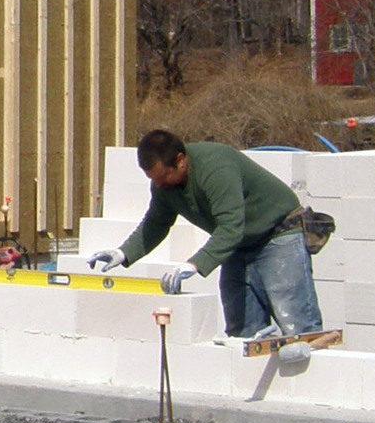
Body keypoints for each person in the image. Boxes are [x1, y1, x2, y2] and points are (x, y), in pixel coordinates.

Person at [87, 128, 339, 348]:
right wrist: (123, 253)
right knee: (242, 334)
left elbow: (231, 227)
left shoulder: (215, 168)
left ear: (181, 160)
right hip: (239, 245)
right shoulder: (164, 185)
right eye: (153, 180)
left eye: (164, 177)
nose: (160, 185)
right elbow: (156, 223)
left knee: (299, 329)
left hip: (278, 234)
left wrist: (194, 265)